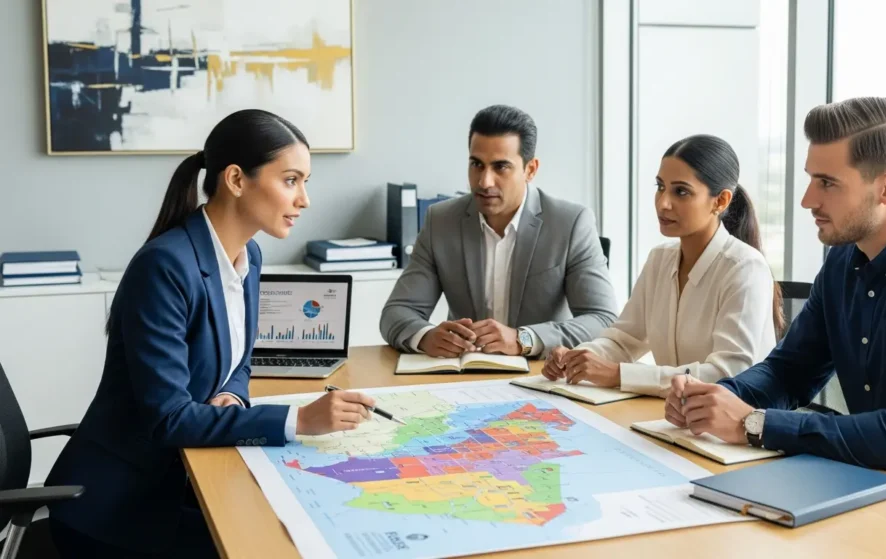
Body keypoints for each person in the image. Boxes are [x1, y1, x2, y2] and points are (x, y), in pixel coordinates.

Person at [44, 109, 379, 558]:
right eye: (291, 181)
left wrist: (231, 397)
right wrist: (299, 420)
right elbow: (169, 418)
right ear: (236, 179)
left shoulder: (248, 255)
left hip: (177, 480)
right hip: (117, 510)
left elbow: (240, 361)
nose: (304, 200)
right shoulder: (165, 267)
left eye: (305, 182)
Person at [666, 97, 886, 510]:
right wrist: (712, 398)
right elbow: (789, 372)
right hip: (882, 487)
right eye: (811, 179)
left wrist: (754, 424)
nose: (807, 200)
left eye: (827, 183)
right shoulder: (843, 261)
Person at [541, 135, 781, 396]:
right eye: (660, 187)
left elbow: (728, 372)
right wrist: (577, 357)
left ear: (720, 201)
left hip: (735, 418)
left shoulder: (745, 268)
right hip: (672, 413)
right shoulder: (660, 259)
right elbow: (624, 340)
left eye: (681, 191)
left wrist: (618, 375)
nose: (663, 203)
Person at [379, 104, 618, 358]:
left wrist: (523, 339)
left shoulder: (570, 224)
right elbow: (397, 312)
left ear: (530, 169)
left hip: (540, 372)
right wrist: (426, 336)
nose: (484, 182)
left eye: (500, 167)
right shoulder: (441, 221)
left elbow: (603, 320)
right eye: (476, 164)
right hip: (463, 373)